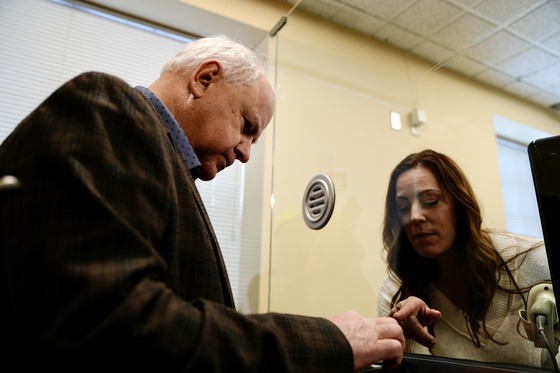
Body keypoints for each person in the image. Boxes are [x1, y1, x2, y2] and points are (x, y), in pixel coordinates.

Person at [0, 35, 405, 372]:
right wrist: (330, 340)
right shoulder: (110, 110)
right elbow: (113, 329)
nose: (246, 153)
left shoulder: (164, 164)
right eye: (247, 126)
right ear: (205, 78)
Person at [377, 149, 555, 368]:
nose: (414, 216)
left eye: (431, 201)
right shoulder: (396, 292)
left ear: (459, 207)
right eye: (403, 208)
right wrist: (409, 334)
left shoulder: (532, 260)